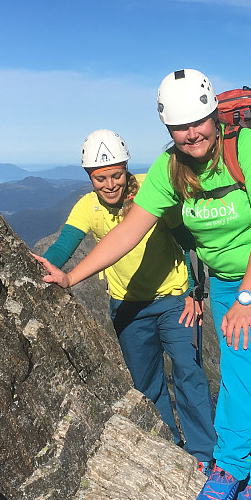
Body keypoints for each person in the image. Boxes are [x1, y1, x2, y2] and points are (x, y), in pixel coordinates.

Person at [37, 70, 251, 500]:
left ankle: (229, 467)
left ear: (213, 116)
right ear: (168, 130)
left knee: (241, 345)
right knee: (249, 365)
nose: (192, 133)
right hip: (223, 280)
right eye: (180, 128)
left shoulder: (249, 149)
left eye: (198, 122)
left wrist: (244, 302)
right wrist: (70, 277)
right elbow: (127, 232)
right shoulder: (169, 169)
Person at [33, 128, 216, 472]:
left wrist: (196, 292)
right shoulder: (87, 208)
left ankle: (205, 456)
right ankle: (171, 451)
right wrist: (40, 268)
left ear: (126, 168)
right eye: (100, 178)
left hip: (174, 299)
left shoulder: (152, 187)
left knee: (188, 373)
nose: (110, 184)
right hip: (129, 308)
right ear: (90, 177)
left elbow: (188, 241)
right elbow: (62, 246)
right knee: (147, 385)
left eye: (116, 174)